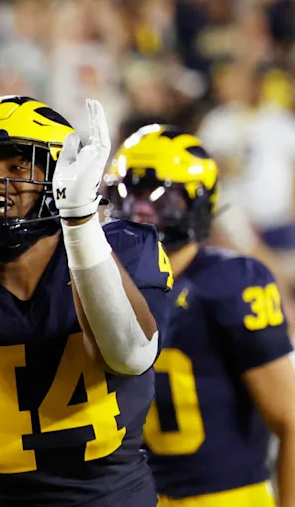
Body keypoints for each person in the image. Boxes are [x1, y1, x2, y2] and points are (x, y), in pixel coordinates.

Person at [0, 96, 174, 506]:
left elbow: (130, 355)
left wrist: (80, 219)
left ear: (60, 174)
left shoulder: (123, 246)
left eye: (16, 167)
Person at [104, 124, 295, 506]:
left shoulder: (231, 282)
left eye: (161, 197)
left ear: (198, 202)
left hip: (226, 497)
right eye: (126, 193)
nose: (140, 210)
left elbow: (290, 419)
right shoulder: (101, 283)